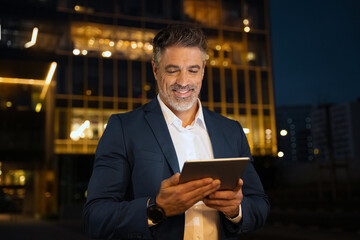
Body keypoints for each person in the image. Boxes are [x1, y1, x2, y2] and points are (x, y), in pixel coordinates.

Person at [83, 24, 270, 240]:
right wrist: (157, 208)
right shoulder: (124, 129)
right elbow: (94, 217)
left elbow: (260, 205)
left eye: (193, 70)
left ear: (204, 70)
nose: (183, 82)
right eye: (172, 70)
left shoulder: (231, 130)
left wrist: (235, 210)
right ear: (155, 69)